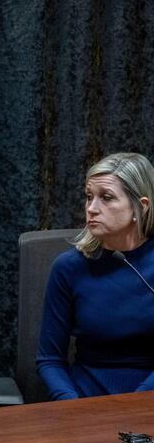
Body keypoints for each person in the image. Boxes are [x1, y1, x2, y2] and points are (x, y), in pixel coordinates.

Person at [37, 152, 154, 400]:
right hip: (85, 398)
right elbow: (49, 360)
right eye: (89, 197)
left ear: (140, 207)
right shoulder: (68, 267)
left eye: (106, 198)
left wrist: (136, 402)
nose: (91, 208)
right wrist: (70, 403)